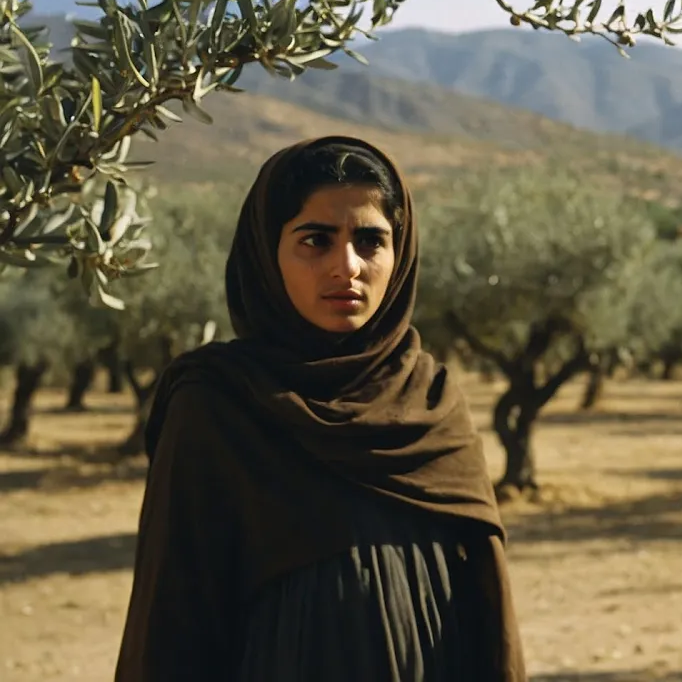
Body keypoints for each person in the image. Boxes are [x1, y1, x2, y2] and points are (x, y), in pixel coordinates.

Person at [114, 136, 526, 681]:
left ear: (400, 254)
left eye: (370, 241)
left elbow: (487, 600)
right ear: (267, 253)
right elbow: (172, 619)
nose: (346, 266)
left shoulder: (431, 397)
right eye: (316, 240)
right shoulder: (217, 403)